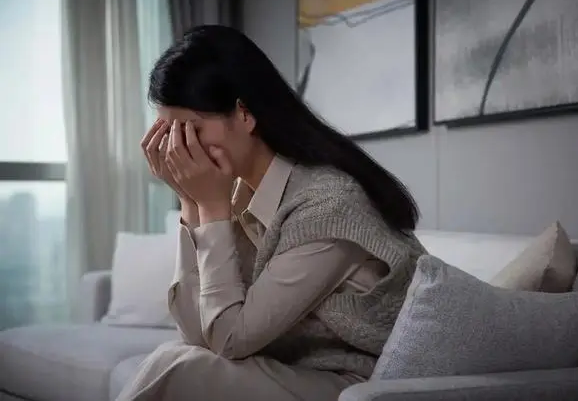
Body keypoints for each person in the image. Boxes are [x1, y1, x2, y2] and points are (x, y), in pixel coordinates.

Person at [116, 25, 426, 401]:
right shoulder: (242, 194)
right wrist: (189, 200)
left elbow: (229, 340)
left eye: (193, 130)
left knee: (180, 369)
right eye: (170, 134)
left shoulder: (327, 207)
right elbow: (199, 335)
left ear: (244, 113)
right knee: (176, 357)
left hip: (356, 384)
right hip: (293, 371)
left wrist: (211, 208)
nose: (180, 150)